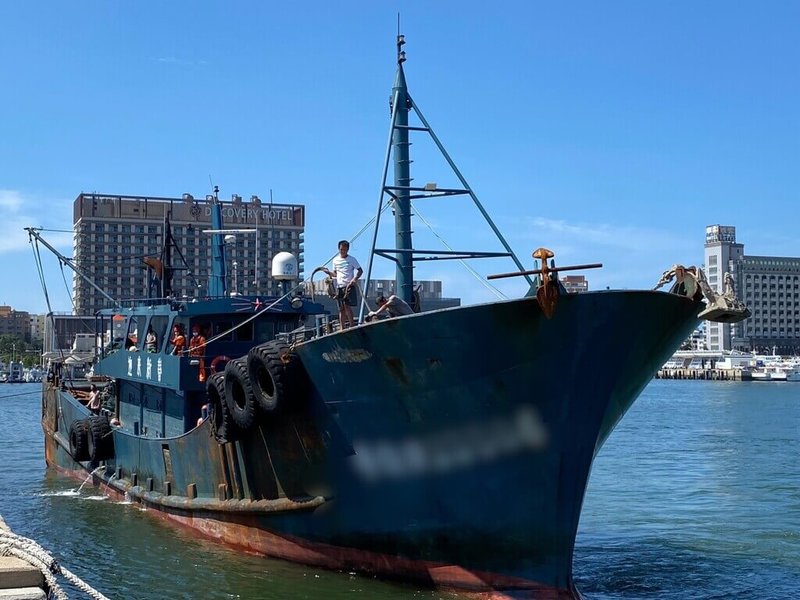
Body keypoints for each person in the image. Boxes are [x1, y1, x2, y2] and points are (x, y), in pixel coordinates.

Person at [323, 240, 363, 329]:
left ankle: (352, 325)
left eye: (344, 250)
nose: (343, 251)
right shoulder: (335, 260)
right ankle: (342, 327)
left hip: (348, 285)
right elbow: (335, 274)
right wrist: (328, 272)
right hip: (339, 286)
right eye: (341, 249)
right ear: (339, 249)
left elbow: (360, 270)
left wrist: (354, 279)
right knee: (341, 308)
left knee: (347, 306)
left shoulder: (352, 259)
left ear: (347, 249)